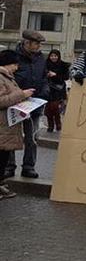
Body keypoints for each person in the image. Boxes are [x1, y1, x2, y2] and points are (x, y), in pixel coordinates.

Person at [4, 31, 49, 179]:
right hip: (15, 103)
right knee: (11, 137)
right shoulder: (14, 58)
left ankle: (29, 166)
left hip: (34, 104)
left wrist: (44, 91)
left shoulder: (41, 58)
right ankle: (9, 166)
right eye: (36, 44)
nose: (38, 46)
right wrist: (19, 94)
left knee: (32, 137)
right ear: (27, 43)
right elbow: (8, 79)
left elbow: (43, 77)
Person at [0, 50, 35, 199]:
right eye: (15, 64)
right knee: (1, 157)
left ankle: (1, 184)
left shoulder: (8, 77)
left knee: (3, 157)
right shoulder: (1, 78)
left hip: (7, 125)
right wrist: (22, 94)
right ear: (8, 63)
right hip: (2, 125)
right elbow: (1, 100)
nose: (17, 67)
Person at [44, 50, 70, 132]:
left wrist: (55, 75)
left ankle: (58, 123)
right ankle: (50, 125)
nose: (53, 57)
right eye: (52, 56)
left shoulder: (63, 65)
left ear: (58, 56)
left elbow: (66, 77)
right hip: (47, 89)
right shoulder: (45, 64)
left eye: (55, 56)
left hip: (58, 90)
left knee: (55, 107)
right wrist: (47, 75)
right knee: (48, 109)